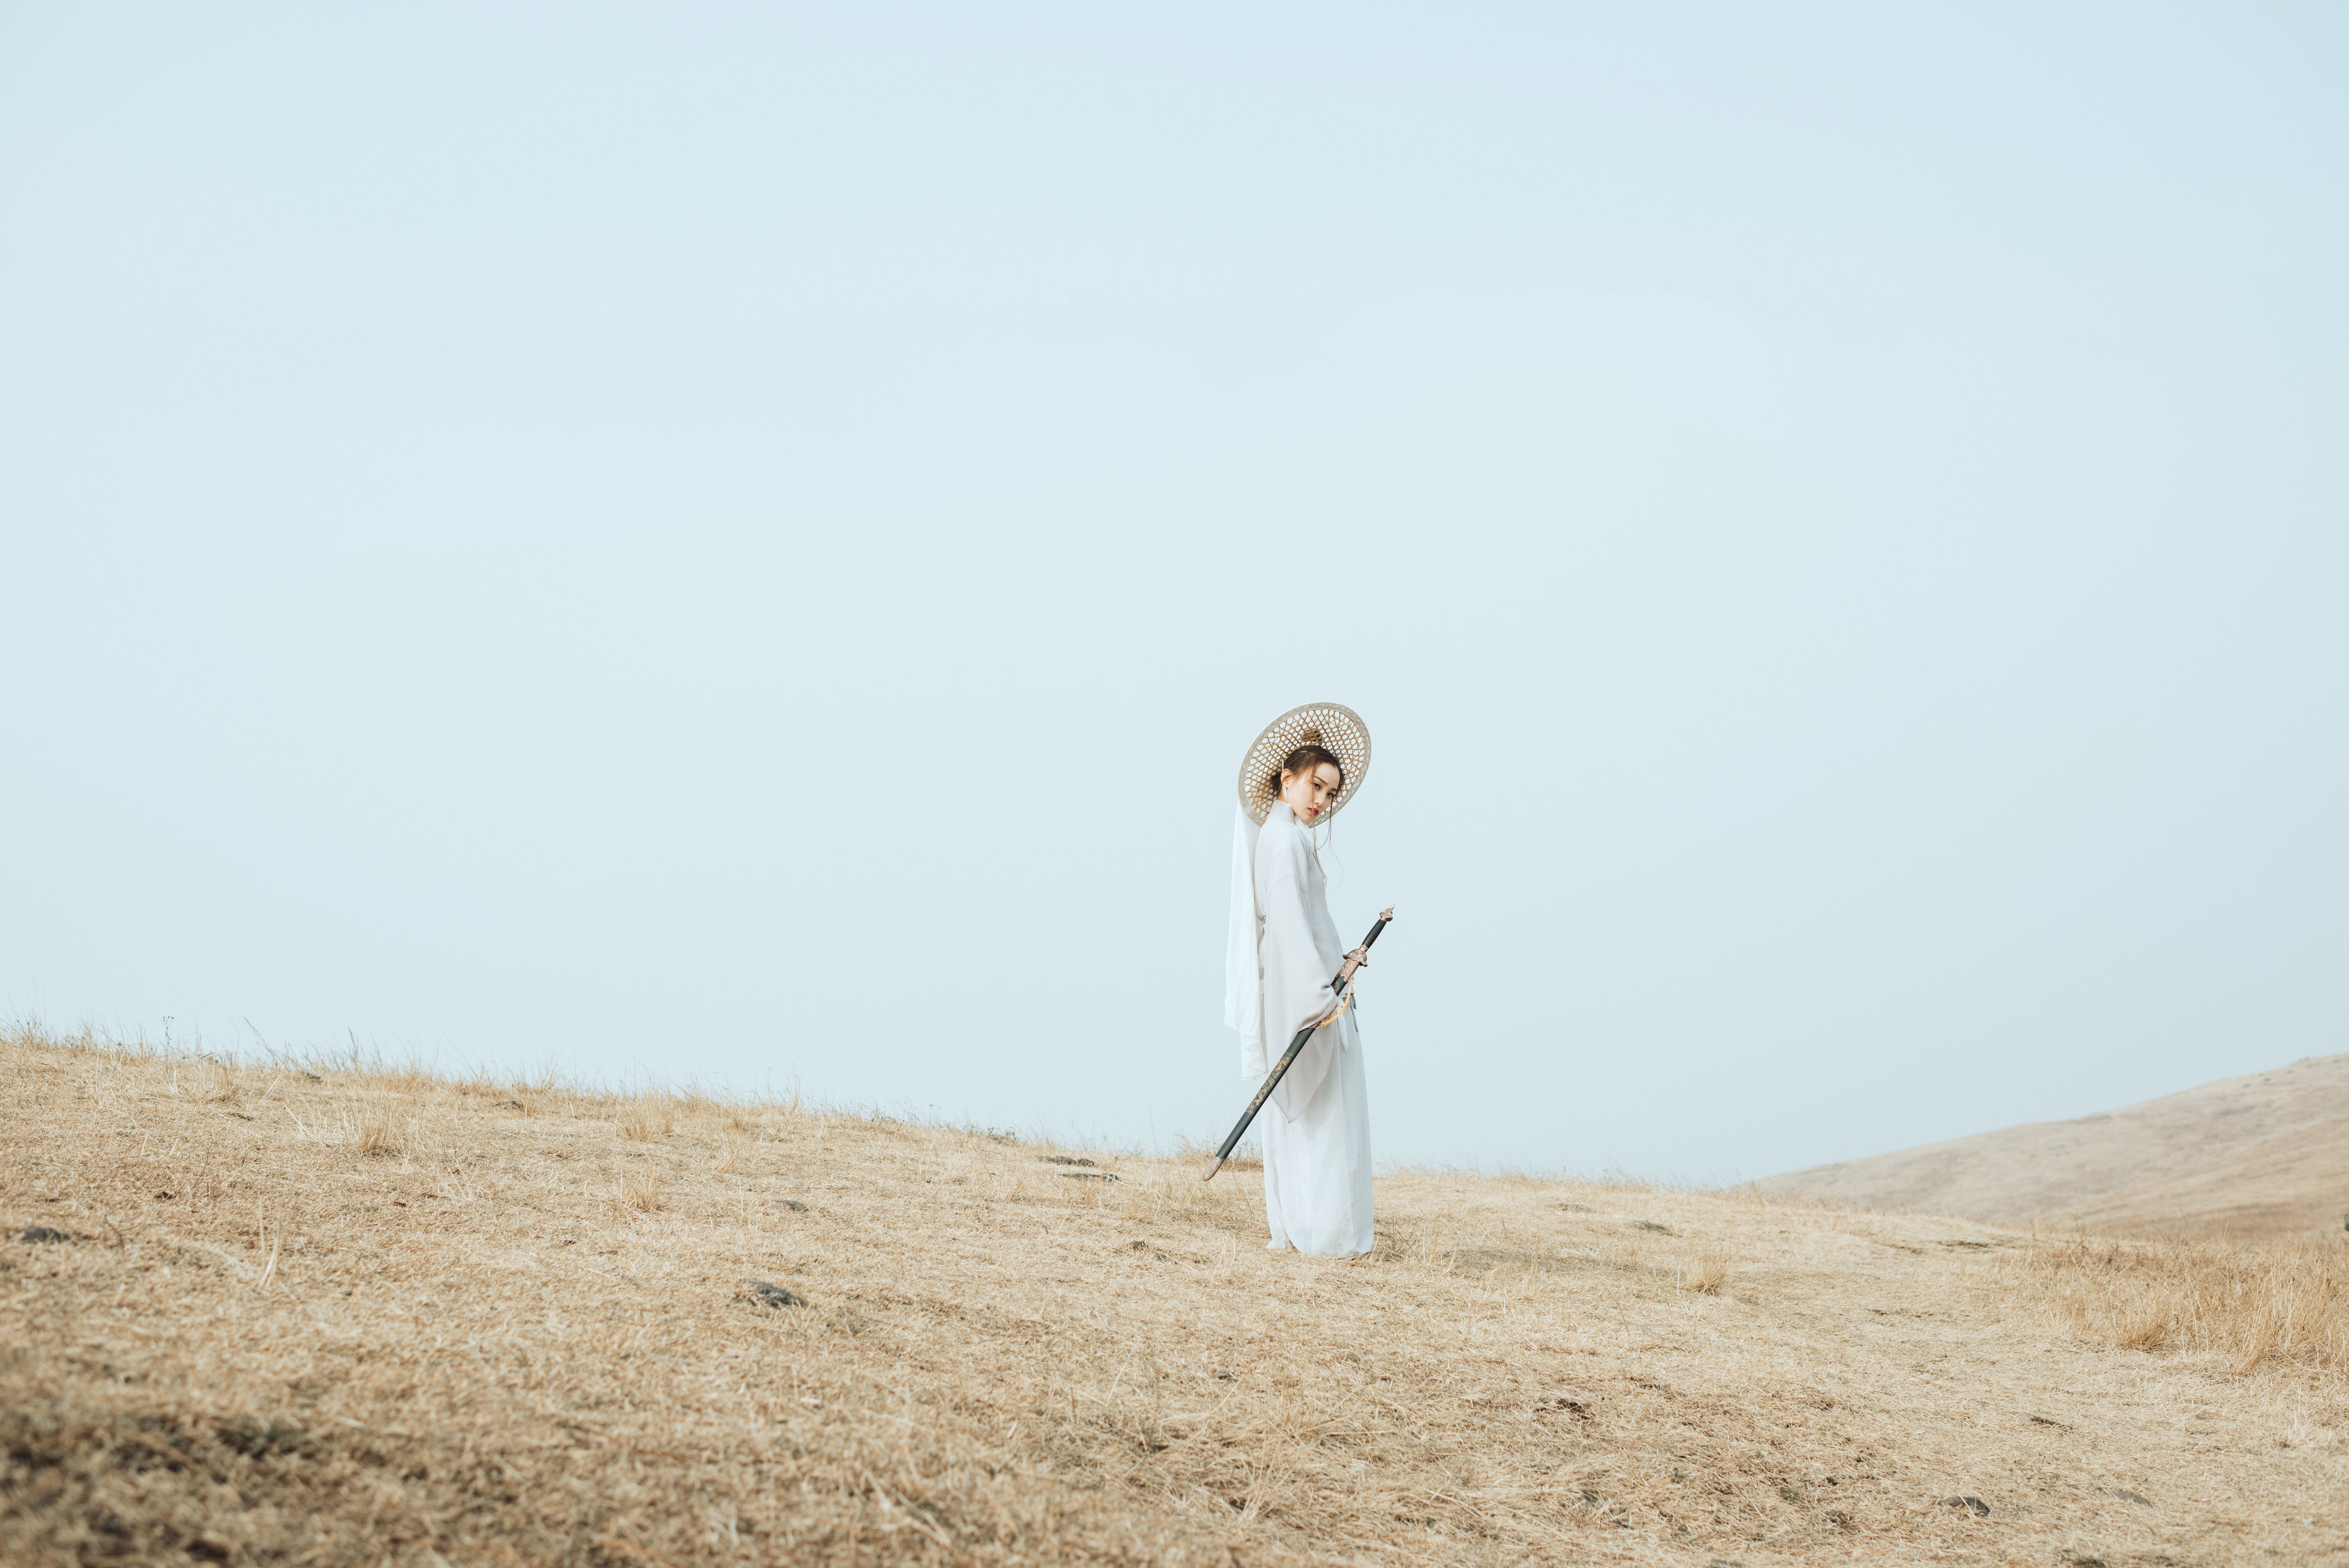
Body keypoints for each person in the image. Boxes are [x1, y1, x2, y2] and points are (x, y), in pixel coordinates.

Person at [1222, 703, 1375, 1258]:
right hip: (1300, 988)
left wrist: (1340, 962)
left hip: (1305, 979)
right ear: (1285, 780)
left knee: (1310, 1109)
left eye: (1331, 793)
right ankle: (1321, 1234)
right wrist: (1321, 997)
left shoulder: (1285, 835)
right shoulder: (1284, 840)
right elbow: (1287, 923)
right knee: (1320, 1110)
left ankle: (1308, 1229)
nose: (1321, 801)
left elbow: (1305, 923)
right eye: (1314, 785)